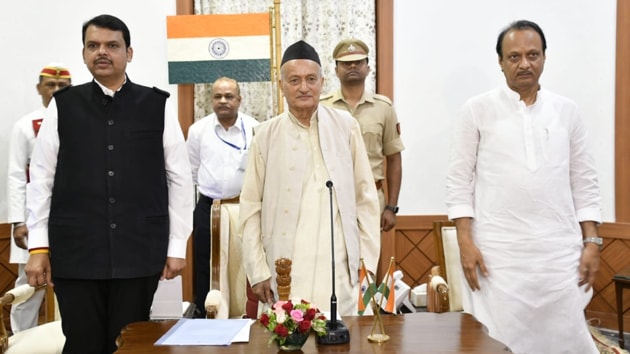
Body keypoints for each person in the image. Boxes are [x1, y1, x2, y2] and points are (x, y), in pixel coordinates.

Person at [25, 14, 193, 353]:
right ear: (84, 53)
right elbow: (41, 178)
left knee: (130, 343)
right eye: (93, 46)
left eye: (112, 45)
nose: (102, 52)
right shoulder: (63, 105)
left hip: (139, 250)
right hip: (76, 252)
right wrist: (38, 247)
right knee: (82, 342)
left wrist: (176, 245)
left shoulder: (156, 104)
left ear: (128, 53)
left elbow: (179, 179)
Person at [445, 20, 601, 353]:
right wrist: (465, 242)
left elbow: (584, 181)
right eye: (514, 56)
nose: (524, 64)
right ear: (500, 62)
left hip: (558, 256)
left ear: (545, 57)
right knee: (500, 341)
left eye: (532, 54)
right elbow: (459, 181)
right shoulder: (476, 110)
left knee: (565, 339)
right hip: (499, 258)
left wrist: (593, 241)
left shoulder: (567, 112)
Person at [240, 40, 381, 316]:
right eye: (294, 80)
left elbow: (366, 200)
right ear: (282, 86)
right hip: (285, 270)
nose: (303, 87)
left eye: (310, 79)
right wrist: (257, 271)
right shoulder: (265, 135)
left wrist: (368, 265)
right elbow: (250, 209)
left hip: (340, 269)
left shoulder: (346, 127)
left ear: (322, 82)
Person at [7, 63, 71, 333]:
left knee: (72, 285)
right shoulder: (25, 126)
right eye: (50, 85)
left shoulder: (78, 119)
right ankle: (21, 342)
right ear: (39, 89)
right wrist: (18, 221)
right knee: (29, 284)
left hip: (71, 216)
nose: (56, 91)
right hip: (34, 218)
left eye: (62, 86)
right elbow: (16, 175)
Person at [186, 76, 259, 317]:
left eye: (229, 96)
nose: (223, 101)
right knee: (206, 262)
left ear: (239, 99)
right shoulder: (198, 131)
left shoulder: (255, 128)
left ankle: (245, 312)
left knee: (246, 261)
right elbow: (193, 170)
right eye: (218, 96)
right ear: (211, 100)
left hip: (244, 207)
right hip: (210, 207)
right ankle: (205, 314)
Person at [320, 39, 404, 232]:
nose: (352, 66)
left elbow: (394, 159)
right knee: (332, 259)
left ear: (368, 68)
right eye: (346, 63)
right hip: (331, 198)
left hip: (371, 196)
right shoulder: (322, 108)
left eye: (358, 62)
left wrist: (392, 206)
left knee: (370, 259)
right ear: (336, 70)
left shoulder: (383, 108)